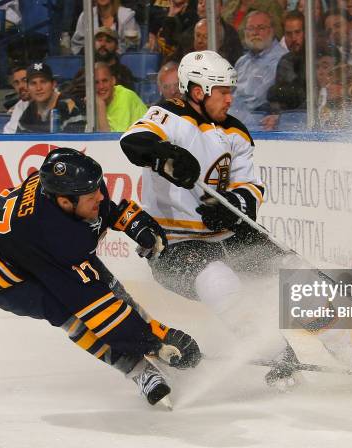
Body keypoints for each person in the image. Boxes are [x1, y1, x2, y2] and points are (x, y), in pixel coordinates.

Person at [0, 147, 201, 406]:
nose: (100, 196)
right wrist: (155, 340)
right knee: (69, 314)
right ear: (64, 202)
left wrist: (134, 224)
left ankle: (146, 342)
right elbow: (97, 308)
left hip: (36, 246)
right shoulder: (57, 242)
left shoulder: (71, 186)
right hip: (7, 279)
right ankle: (138, 371)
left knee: (112, 290)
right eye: (92, 195)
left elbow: (103, 208)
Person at [119, 50, 282, 342]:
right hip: (174, 246)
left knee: (293, 276)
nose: (230, 99)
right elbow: (134, 140)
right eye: (222, 92)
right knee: (219, 281)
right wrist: (167, 156)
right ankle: (276, 354)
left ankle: (351, 347)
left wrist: (234, 206)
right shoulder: (171, 114)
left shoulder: (236, 132)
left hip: (227, 236)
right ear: (198, 91)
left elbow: (250, 187)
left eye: (230, 91)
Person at [228, 11, 287, 121]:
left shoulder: (282, 59)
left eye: (261, 28)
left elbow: (257, 100)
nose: (255, 33)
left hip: (260, 124)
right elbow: (230, 94)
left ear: (272, 31)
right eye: (250, 28)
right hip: (234, 121)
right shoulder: (241, 62)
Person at [17, 62, 86, 133]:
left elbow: (75, 141)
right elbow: (19, 142)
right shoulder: (28, 112)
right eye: (33, 83)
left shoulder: (70, 106)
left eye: (43, 82)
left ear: (53, 84)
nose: (38, 88)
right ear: (28, 88)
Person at [71, 0, 141, 55]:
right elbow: (78, 46)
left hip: (120, 64)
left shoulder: (127, 16)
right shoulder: (86, 16)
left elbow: (131, 46)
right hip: (93, 65)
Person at [95, 62, 147, 132]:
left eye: (105, 81)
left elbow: (112, 140)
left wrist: (101, 107)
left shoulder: (125, 97)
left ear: (113, 80)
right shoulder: (94, 101)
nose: (101, 86)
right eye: (96, 82)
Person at [3, 65, 30, 134]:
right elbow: (9, 133)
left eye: (25, 80)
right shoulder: (20, 106)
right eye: (16, 83)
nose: (20, 86)